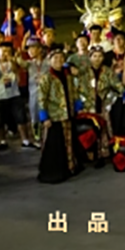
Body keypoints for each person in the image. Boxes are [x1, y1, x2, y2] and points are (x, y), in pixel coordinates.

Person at [37, 47, 88, 183]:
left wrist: (77, 104)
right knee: (55, 145)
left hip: (68, 113)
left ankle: (70, 167)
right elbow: (41, 98)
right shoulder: (47, 77)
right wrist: (44, 116)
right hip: (55, 116)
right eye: (55, 58)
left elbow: (73, 91)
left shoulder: (67, 75)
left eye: (61, 58)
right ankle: (56, 171)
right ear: (49, 61)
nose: (59, 60)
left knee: (69, 142)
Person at [0, 43, 33, 150]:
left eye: (8, 51)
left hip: (14, 94)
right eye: (3, 51)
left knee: (21, 118)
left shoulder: (13, 61)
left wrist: (12, 61)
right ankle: (3, 141)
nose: (5, 53)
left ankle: (25, 140)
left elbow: (17, 72)